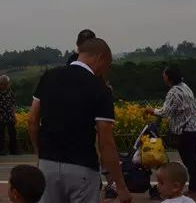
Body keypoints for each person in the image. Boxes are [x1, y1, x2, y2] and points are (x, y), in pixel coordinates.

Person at [27, 38, 132, 203]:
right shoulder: (100, 89)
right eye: (108, 65)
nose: (105, 71)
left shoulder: (49, 77)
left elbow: (32, 119)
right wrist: (120, 186)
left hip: (48, 165)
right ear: (100, 58)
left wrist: (39, 152)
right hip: (82, 166)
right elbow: (106, 142)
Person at [143, 65, 196, 200]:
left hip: (184, 131)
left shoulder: (174, 92)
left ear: (169, 77)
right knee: (192, 161)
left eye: (164, 75)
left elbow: (165, 112)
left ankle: (193, 190)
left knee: (188, 161)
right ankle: (195, 188)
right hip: (193, 129)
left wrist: (151, 110)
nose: (163, 77)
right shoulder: (185, 87)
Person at [0, 75, 18, 156]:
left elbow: (13, 104)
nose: (4, 85)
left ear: (8, 84)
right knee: (1, 135)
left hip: (9, 116)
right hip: (0, 116)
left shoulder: (11, 92)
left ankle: (14, 150)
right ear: (0, 84)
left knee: (12, 133)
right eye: (2, 84)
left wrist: (14, 115)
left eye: (5, 84)